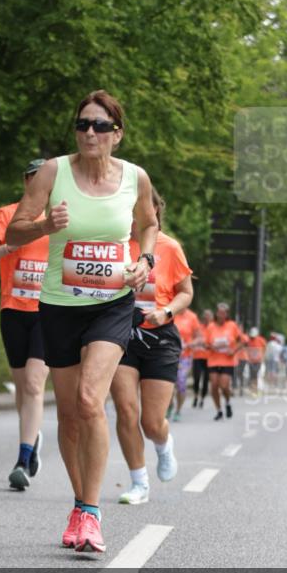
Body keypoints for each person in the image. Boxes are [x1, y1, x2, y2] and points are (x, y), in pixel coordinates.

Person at [7, 90, 157, 554]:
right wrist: (45, 225)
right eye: (82, 124)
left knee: (92, 400)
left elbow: (148, 224)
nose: (89, 132)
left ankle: (91, 515)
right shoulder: (53, 172)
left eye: (99, 125)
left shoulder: (135, 177)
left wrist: (146, 260)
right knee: (70, 413)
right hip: (58, 304)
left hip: (112, 304)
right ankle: (79, 503)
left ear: (117, 134)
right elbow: (15, 230)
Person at [111, 188, 193, 504]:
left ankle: (163, 444)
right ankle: (139, 482)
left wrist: (166, 312)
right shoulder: (114, 246)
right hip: (120, 334)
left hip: (160, 338)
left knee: (151, 421)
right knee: (126, 409)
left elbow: (185, 292)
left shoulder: (169, 247)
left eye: (145, 209)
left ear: (156, 211)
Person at [0, 160, 50, 490]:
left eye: (44, 180)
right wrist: (8, 247)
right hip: (13, 311)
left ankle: (22, 459)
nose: (38, 184)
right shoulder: (7, 215)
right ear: (25, 181)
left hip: (49, 312)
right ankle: (33, 437)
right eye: (33, 178)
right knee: (22, 388)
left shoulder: (60, 219)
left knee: (34, 385)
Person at [203, 302, 244, 419]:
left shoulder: (232, 325)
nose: (221, 315)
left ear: (227, 314)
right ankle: (219, 410)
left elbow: (242, 341)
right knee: (214, 386)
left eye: (223, 313)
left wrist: (233, 350)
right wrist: (211, 347)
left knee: (224, 385)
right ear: (216, 313)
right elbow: (206, 344)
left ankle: (227, 402)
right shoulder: (211, 326)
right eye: (219, 312)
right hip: (213, 360)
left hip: (227, 360)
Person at [173, 308, 202, 420]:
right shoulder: (169, 311)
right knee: (167, 383)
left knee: (180, 382)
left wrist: (189, 344)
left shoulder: (192, 317)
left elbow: (200, 337)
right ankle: (169, 405)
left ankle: (178, 410)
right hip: (168, 354)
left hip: (184, 356)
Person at [191, 309, 212, 408]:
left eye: (208, 316)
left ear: (211, 317)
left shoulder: (213, 328)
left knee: (206, 380)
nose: (206, 317)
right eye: (205, 315)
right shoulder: (198, 327)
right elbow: (193, 337)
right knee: (197, 377)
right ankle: (195, 396)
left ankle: (202, 399)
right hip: (198, 356)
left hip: (209, 358)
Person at [246, 327, 266, 395]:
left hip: (258, 361)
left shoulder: (261, 340)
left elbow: (265, 347)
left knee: (257, 374)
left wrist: (263, 356)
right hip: (251, 361)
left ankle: (257, 389)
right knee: (252, 375)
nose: (252, 338)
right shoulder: (248, 340)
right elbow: (246, 349)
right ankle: (253, 389)